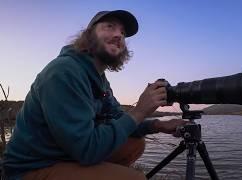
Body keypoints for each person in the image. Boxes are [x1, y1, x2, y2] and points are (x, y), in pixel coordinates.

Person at [3, 10, 187, 180]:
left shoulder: (99, 79)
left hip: (64, 153)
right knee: (135, 178)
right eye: (110, 27)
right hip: (31, 167)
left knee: (134, 143)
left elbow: (118, 118)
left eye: (123, 33)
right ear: (88, 35)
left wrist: (157, 125)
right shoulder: (65, 72)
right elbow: (87, 150)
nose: (119, 35)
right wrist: (139, 111)